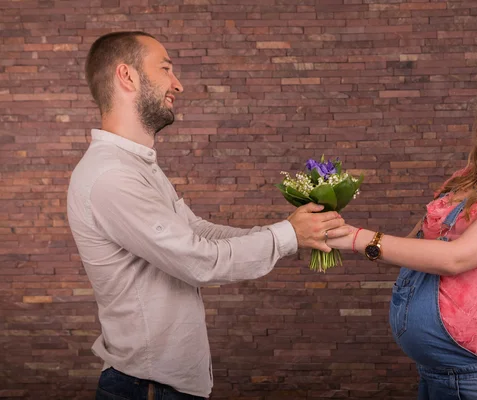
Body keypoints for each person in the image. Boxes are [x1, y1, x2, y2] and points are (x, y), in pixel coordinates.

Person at [67, 31, 348, 400]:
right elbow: (196, 259)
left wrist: (292, 232)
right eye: (166, 68)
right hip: (147, 391)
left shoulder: (134, 165)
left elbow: (195, 232)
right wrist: (287, 236)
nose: (177, 84)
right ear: (127, 76)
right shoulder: (113, 176)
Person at [326, 60, 477, 400]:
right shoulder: (467, 178)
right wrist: (332, 224)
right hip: (443, 375)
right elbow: (415, 247)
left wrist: (358, 238)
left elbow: (457, 257)